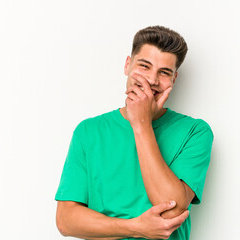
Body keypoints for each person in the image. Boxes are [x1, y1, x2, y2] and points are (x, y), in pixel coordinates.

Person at [55, 25, 214, 240]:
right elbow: (66, 220)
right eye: (144, 66)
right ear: (127, 65)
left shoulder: (195, 132)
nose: (152, 80)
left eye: (164, 72)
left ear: (174, 79)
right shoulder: (89, 131)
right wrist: (135, 227)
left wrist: (142, 124)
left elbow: (170, 209)